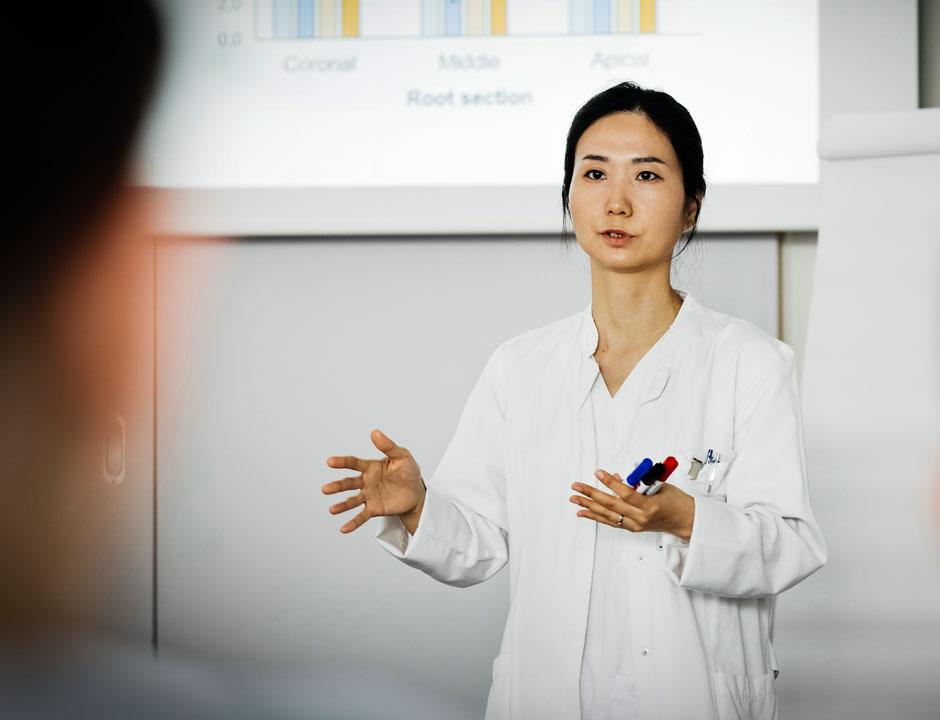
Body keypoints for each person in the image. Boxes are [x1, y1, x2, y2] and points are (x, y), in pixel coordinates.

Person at [323, 81, 827, 720]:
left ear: (691, 207)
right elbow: (479, 545)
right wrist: (419, 507)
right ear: (569, 198)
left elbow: (792, 543)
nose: (616, 201)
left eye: (646, 175)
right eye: (594, 174)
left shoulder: (750, 364)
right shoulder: (521, 368)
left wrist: (684, 518)